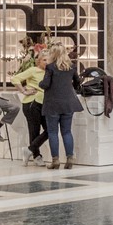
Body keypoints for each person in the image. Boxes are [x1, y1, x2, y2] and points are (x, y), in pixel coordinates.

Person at [40, 42, 83, 170]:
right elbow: (78, 82)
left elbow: (46, 84)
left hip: (53, 103)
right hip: (68, 103)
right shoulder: (71, 67)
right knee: (67, 131)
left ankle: (55, 160)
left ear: (53, 54)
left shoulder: (50, 67)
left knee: (53, 132)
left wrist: (40, 83)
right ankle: (70, 158)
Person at [10, 46, 49, 164]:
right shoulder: (33, 70)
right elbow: (15, 78)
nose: (47, 63)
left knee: (50, 129)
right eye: (44, 60)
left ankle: (29, 150)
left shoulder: (50, 72)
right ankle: (36, 156)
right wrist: (24, 91)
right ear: (39, 61)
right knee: (34, 130)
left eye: (49, 60)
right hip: (32, 103)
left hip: (45, 104)